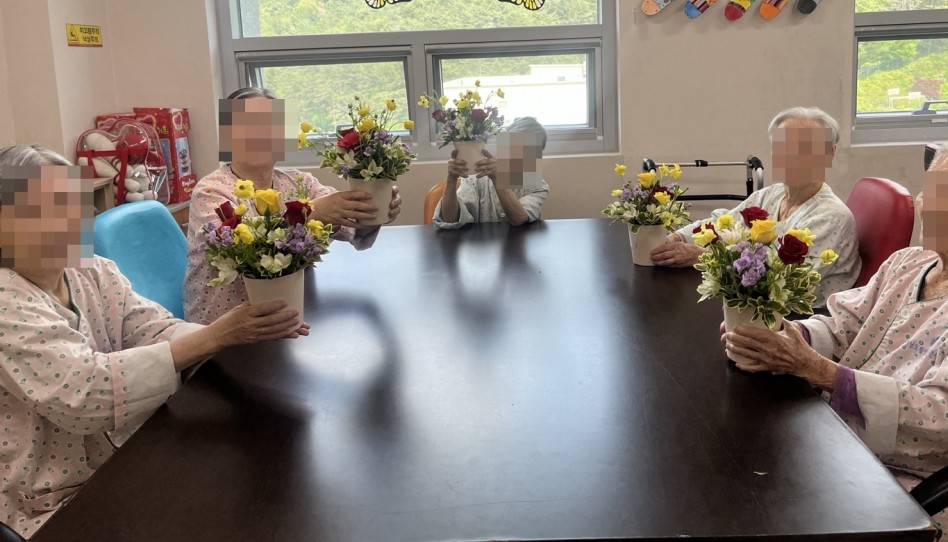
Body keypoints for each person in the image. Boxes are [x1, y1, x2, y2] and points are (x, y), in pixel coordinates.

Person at [0, 145, 308, 539]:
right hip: (51, 500)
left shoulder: (90, 270)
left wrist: (239, 336)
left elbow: (154, 328)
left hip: (121, 458)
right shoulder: (7, 301)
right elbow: (85, 394)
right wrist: (218, 334)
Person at [724, 134, 948, 541]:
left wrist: (819, 371)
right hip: (845, 445)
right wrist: (782, 336)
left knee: (764, 508)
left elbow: (945, 415)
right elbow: (843, 323)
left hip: (920, 485)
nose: (929, 206)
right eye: (930, 191)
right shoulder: (909, 263)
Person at [183, 87, 401, 324]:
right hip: (224, 327)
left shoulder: (299, 183)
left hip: (287, 316)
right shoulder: (211, 192)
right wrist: (308, 213)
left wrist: (375, 211)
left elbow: (354, 229)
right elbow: (242, 253)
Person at [651, 106, 860, 307]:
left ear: (829, 154)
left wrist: (703, 256)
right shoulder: (771, 194)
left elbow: (780, 281)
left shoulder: (831, 217)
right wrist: (677, 238)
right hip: (755, 305)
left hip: (799, 318)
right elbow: (722, 223)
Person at [434, 116, 549, 229]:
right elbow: (449, 221)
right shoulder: (475, 177)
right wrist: (451, 180)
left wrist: (497, 178)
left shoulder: (538, 186)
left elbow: (519, 219)